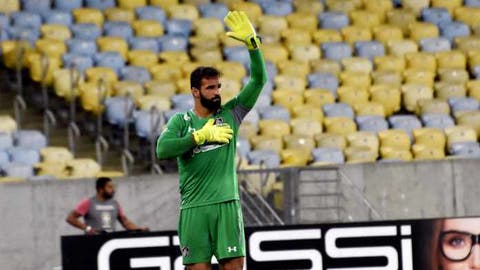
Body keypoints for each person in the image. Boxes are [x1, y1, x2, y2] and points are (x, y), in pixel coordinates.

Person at [156, 10, 267, 270]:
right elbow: (162, 150)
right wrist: (198, 136)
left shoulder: (231, 113)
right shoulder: (181, 122)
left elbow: (259, 80)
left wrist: (253, 45)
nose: (217, 92)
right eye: (210, 88)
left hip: (226, 204)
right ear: (195, 91)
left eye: (218, 87)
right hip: (194, 208)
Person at [66, 177, 148, 235]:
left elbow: (125, 222)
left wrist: (139, 229)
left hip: (110, 242)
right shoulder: (88, 202)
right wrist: (88, 229)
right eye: (109, 187)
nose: (113, 190)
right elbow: (70, 218)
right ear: (100, 189)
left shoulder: (115, 204)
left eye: (113, 187)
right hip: (92, 243)